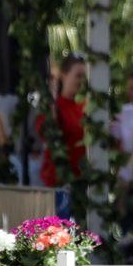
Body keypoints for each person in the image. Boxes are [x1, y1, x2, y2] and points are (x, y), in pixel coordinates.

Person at [38, 55, 87, 188]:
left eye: (84, 76)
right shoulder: (54, 106)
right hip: (57, 181)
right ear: (64, 75)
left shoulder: (85, 107)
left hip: (81, 181)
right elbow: (46, 132)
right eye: (78, 76)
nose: (82, 80)